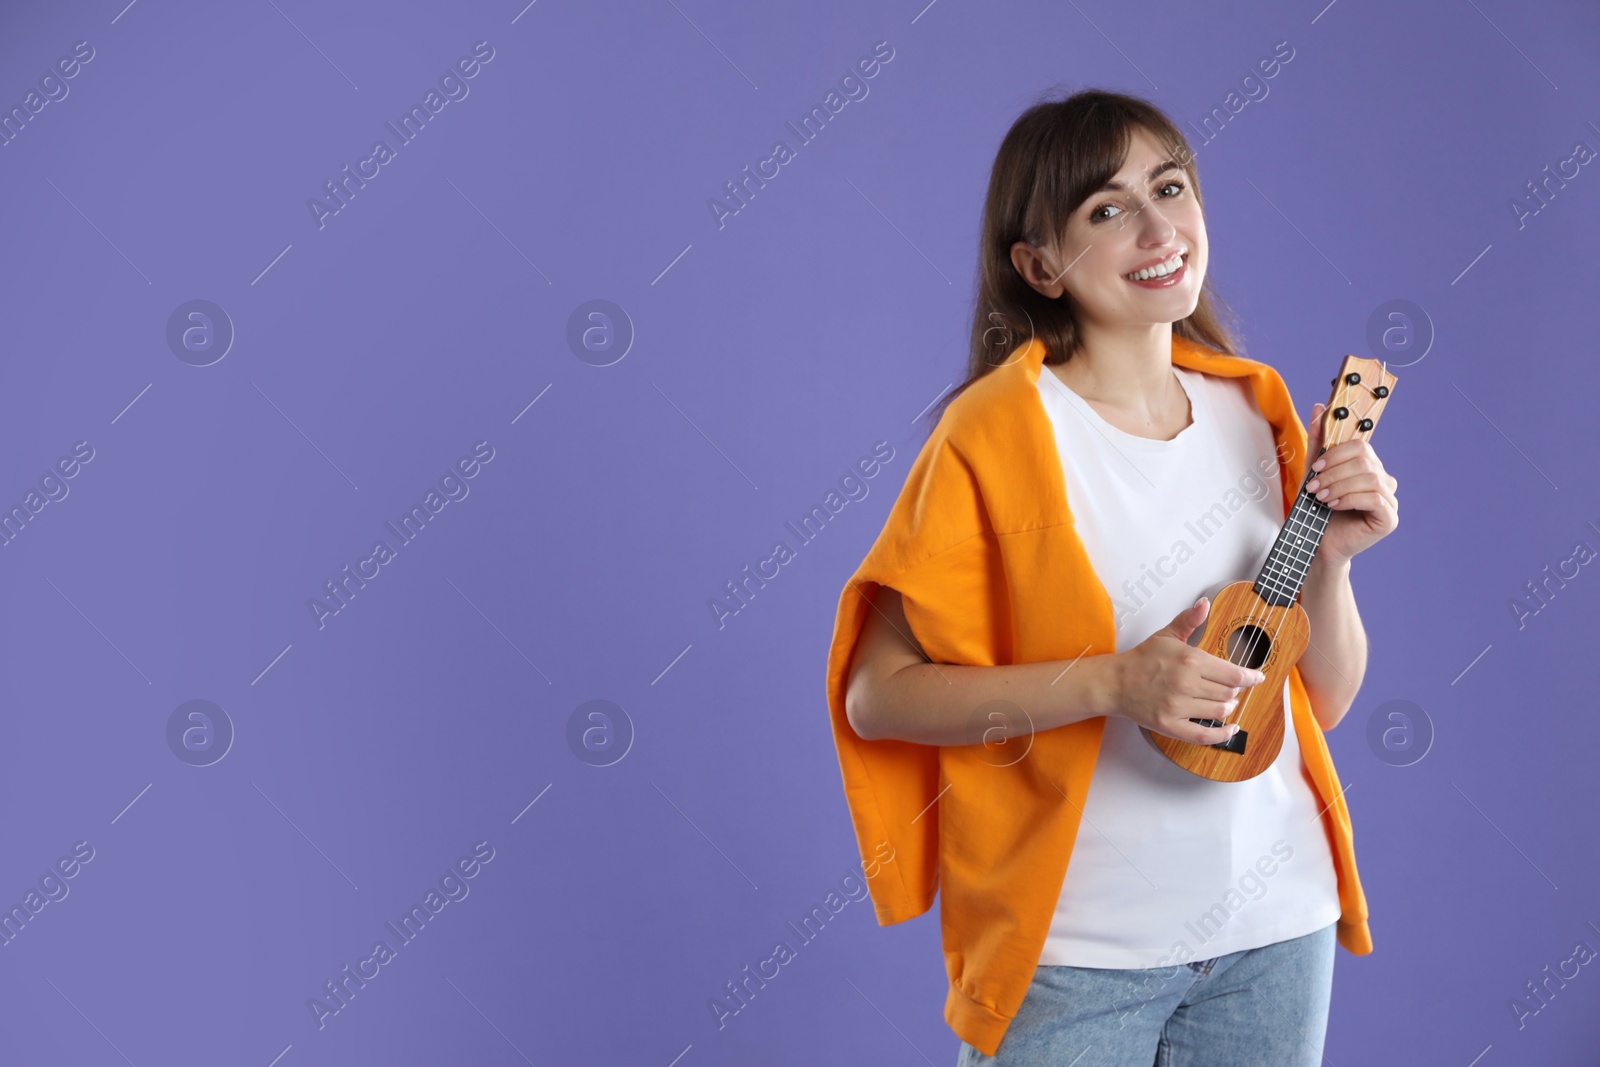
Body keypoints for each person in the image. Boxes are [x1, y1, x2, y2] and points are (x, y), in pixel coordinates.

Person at [831, 90, 1399, 1065]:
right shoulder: (994, 436)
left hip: (1275, 926)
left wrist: (1334, 565)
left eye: (1169, 187)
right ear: (1037, 264)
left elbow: (1319, 701)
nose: (1158, 227)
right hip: (1077, 947)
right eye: (1106, 208)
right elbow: (876, 695)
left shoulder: (1252, 408)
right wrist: (1112, 681)